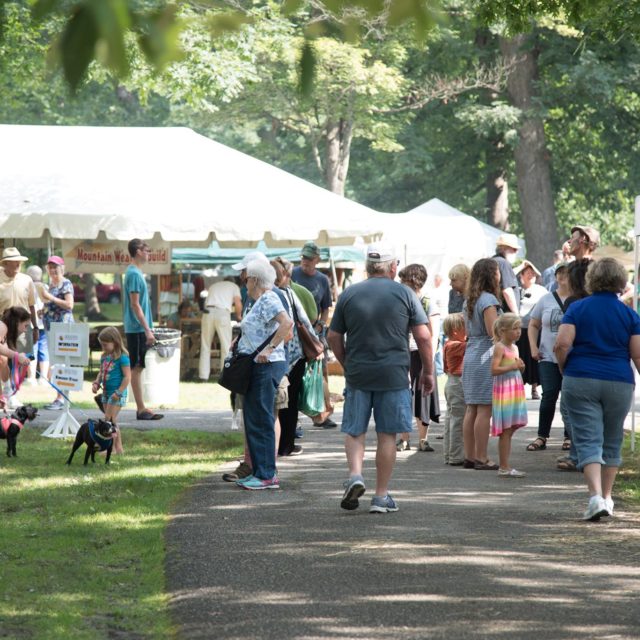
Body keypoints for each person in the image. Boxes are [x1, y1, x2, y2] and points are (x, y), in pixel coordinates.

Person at [327, 243, 434, 514]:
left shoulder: (349, 294)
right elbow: (423, 336)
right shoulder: (405, 294)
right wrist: (429, 371)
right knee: (387, 434)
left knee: (355, 430)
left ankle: (355, 475)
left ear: (367, 266)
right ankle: (381, 496)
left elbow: (333, 337)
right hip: (393, 373)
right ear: (393, 267)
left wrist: (346, 363)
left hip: (359, 373)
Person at [554, 258, 640, 521]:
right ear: (620, 282)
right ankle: (608, 497)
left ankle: (594, 497)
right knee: (612, 439)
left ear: (592, 279)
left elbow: (562, 344)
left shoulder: (578, 308)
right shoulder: (629, 314)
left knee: (588, 438)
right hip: (619, 380)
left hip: (580, 377)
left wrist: (563, 367)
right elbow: (637, 355)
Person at [233, 259, 293, 490]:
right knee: (254, 419)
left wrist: (269, 349)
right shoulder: (260, 300)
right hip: (257, 366)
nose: (245, 282)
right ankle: (260, 472)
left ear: (255, 280)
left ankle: (267, 475)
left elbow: (286, 323)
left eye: (247, 278)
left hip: (266, 366)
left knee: (262, 419)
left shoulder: (268, 298)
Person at [271, 257, 318, 457]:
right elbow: (307, 321)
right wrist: (317, 344)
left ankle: (276, 445)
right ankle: (286, 445)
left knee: (277, 404)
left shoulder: (268, 297)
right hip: (295, 355)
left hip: (276, 355)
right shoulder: (290, 294)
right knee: (290, 404)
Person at [526, 261, 573, 454]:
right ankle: (542, 435)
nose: (562, 277)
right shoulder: (546, 299)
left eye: (566, 273)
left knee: (569, 398)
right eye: (559, 274)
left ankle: (569, 436)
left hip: (572, 356)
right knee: (549, 395)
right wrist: (533, 347)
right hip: (547, 355)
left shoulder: (578, 300)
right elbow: (533, 324)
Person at [461, 258, 501, 470]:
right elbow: (493, 331)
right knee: (485, 408)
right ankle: (482, 456)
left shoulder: (469, 299)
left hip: (471, 353)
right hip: (485, 355)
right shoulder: (488, 300)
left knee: (472, 408)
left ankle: (469, 455)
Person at [291, 241, 336, 429]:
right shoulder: (293, 274)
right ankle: (295, 415)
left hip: (315, 331)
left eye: (309, 258)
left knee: (321, 372)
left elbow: (326, 307)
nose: (305, 261)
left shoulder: (322, 280)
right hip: (296, 331)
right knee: (296, 373)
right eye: (303, 258)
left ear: (317, 259)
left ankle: (322, 415)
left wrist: (321, 325)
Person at [396, 264, 440, 452]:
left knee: (423, 396)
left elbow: (434, 334)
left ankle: (423, 438)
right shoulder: (400, 301)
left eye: (403, 280)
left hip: (422, 355)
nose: (400, 283)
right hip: (403, 353)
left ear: (413, 281)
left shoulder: (428, 302)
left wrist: (428, 359)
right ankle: (404, 438)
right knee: (403, 394)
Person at [123, 238, 163, 421]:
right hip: (137, 328)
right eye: (146, 250)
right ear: (138, 251)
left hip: (138, 327)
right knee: (136, 368)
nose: (148, 253)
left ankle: (138, 406)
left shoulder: (136, 273)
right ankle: (140, 408)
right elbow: (135, 305)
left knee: (137, 367)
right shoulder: (133, 274)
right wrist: (147, 329)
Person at [0, 247, 38, 408]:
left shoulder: (27, 280)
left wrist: (36, 327)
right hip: (3, 324)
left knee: (21, 363)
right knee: (2, 359)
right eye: (14, 261)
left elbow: (32, 305)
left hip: (23, 326)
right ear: (5, 263)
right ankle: (7, 394)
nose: (18, 264)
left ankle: (12, 395)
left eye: (19, 261)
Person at [490, 313, 527, 478]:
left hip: (514, 390)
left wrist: (520, 367)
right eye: (514, 328)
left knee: (510, 429)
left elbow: (515, 366)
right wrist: (512, 366)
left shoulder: (515, 348)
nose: (518, 332)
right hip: (505, 391)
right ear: (503, 330)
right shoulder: (499, 347)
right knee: (506, 430)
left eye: (519, 328)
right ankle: (504, 466)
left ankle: (506, 465)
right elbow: (494, 369)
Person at [40, 256, 74, 410]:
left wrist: (51, 298)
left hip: (62, 328)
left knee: (60, 362)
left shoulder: (65, 283)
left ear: (62, 268)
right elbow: (52, 305)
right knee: (56, 362)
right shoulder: (51, 285)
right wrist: (43, 310)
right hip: (51, 328)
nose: (53, 270)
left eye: (56, 267)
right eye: (50, 267)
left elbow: (69, 305)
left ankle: (61, 399)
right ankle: (59, 397)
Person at [91, 327, 130, 455]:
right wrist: (97, 382)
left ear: (115, 342)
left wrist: (118, 392)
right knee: (112, 421)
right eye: (101, 344)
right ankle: (119, 448)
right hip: (107, 393)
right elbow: (101, 373)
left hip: (117, 394)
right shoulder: (104, 357)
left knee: (108, 420)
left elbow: (127, 377)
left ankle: (110, 448)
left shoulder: (123, 358)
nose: (103, 347)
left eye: (105, 345)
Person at [514, 259, 546, 400]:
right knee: (519, 358)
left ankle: (534, 389)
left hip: (535, 330)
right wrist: (522, 266)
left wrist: (532, 267)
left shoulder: (541, 290)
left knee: (534, 359)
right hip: (519, 330)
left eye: (533, 273)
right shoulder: (516, 289)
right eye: (528, 272)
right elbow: (507, 277)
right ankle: (519, 388)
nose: (531, 275)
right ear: (522, 275)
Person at [199, 277, 242, 380]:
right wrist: (239, 316)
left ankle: (203, 376)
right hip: (222, 312)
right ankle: (225, 376)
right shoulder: (234, 286)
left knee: (205, 345)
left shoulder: (214, 286)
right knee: (226, 345)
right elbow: (238, 303)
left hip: (208, 312)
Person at [442, 313, 466, 466]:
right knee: (458, 420)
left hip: (451, 381)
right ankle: (456, 456)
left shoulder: (447, 344)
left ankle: (449, 454)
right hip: (457, 383)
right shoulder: (456, 345)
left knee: (451, 420)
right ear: (456, 330)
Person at [0, 307, 33, 406]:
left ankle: (7, 394)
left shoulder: (5, 329)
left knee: (3, 359)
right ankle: (7, 393)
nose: (26, 330)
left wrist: (20, 356)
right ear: (17, 322)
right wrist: (17, 356)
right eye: (25, 326)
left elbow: (5, 353)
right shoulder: (2, 327)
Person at [25, 265, 49, 386]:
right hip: (44, 324)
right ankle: (43, 378)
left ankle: (31, 377)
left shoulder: (27, 287)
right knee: (44, 350)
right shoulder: (46, 287)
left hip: (31, 324)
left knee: (31, 350)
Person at [492, 233, 521, 314]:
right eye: (514, 249)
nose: (517, 252)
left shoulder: (493, 261)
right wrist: (516, 314)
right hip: (505, 314)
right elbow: (507, 290)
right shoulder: (504, 263)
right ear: (504, 248)